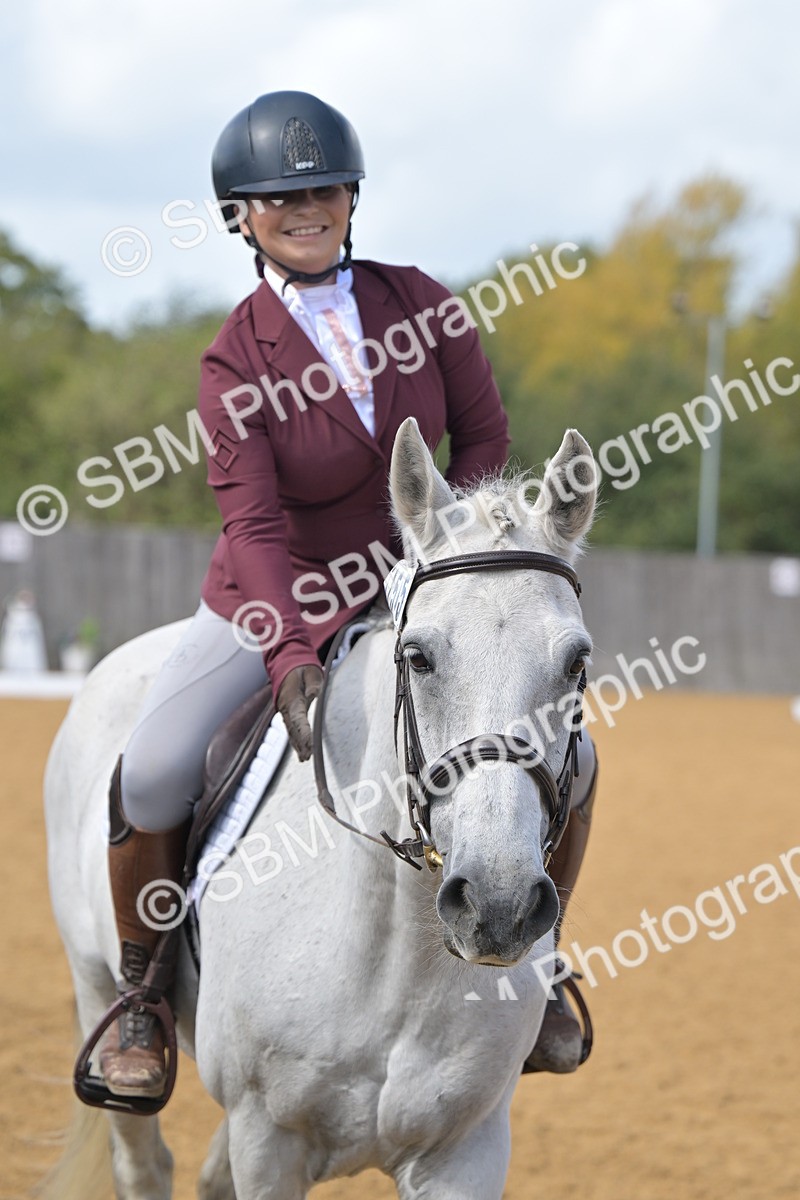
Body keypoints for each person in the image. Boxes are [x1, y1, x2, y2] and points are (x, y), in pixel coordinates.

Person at [98, 90, 597, 1099]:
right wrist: (288, 658)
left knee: (571, 754)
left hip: (426, 583)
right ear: (241, 216)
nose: (304, 207)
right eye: (276, 198)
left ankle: (534, 964)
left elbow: (485, 440)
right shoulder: (232, 359)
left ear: (351, 194)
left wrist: (443, 559)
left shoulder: (423, 304)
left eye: (320, 188)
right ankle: (144, 996)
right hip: (270, 598)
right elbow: (256, 528)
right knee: (152, 770)